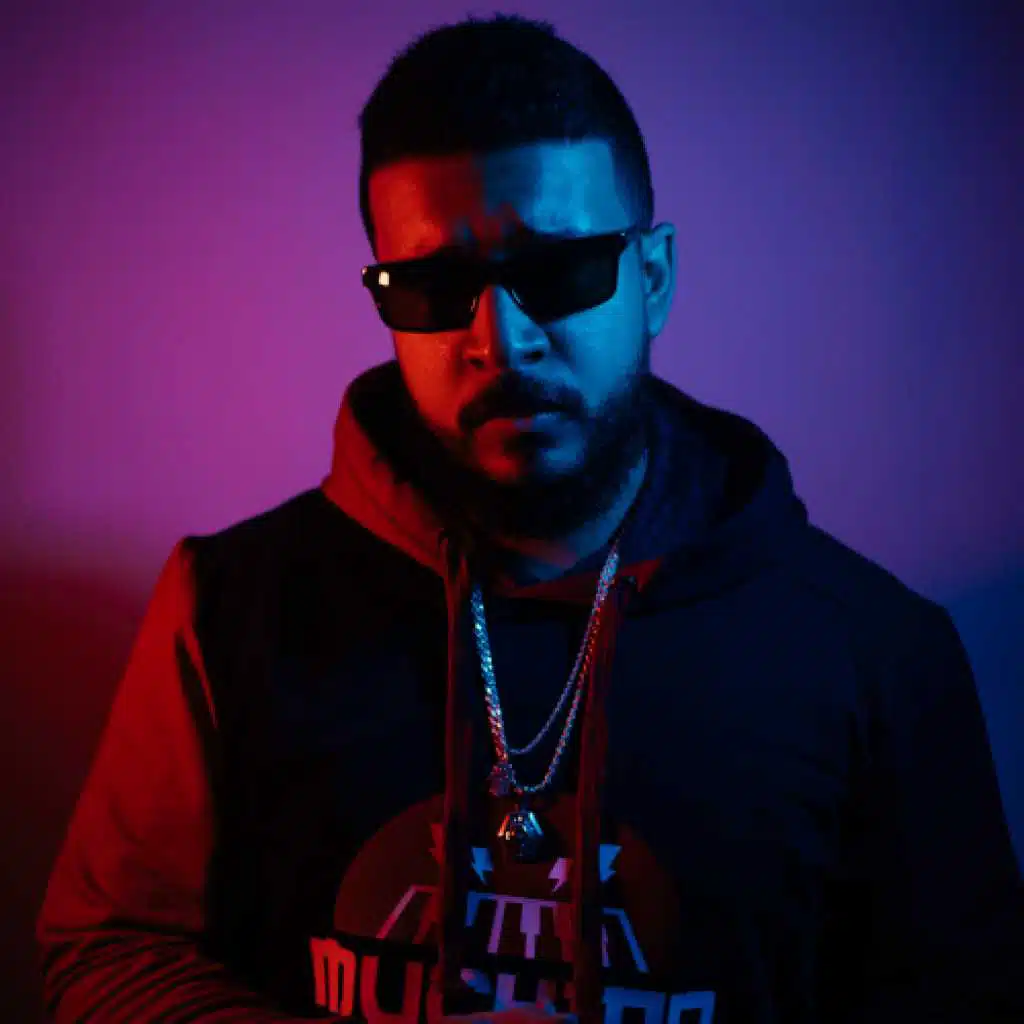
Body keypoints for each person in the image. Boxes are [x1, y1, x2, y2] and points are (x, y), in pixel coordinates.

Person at [37, 14, 1024, 1024]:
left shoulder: (873, 653)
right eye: (433, 286)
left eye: (557, 272)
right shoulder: (227, 604)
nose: (501, 342)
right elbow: (107, 951)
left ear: (652, 279)